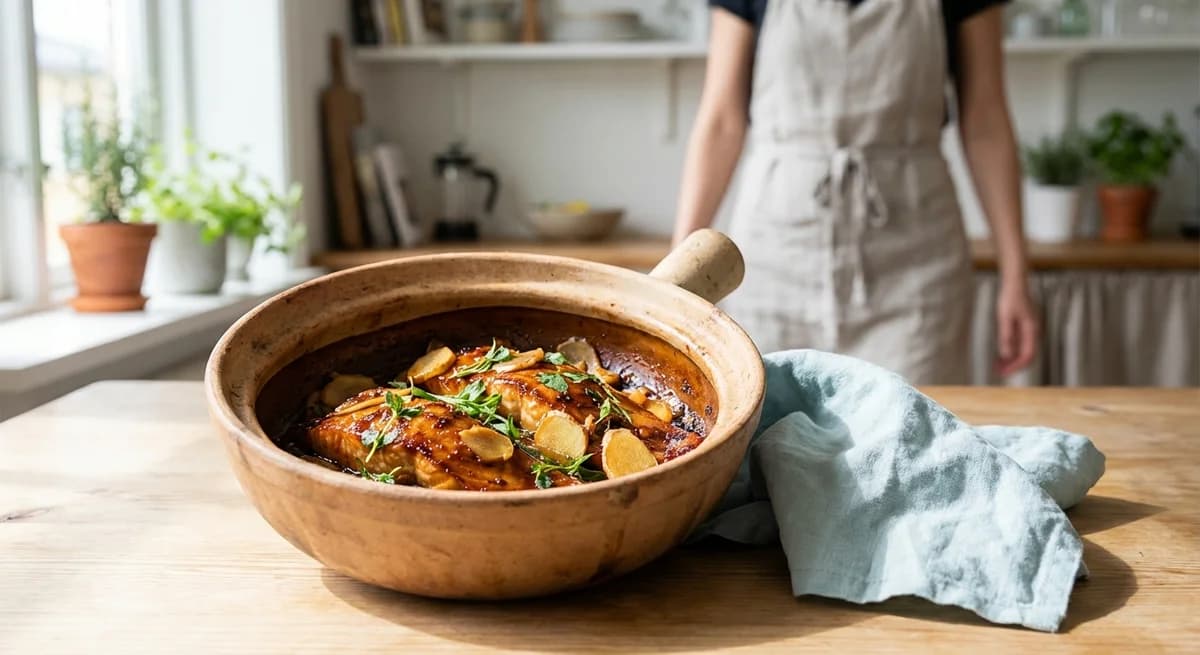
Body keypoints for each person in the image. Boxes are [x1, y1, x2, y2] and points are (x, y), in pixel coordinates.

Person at [671, 0, 1038, 384]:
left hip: (917, 268)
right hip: (773, 261)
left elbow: (986, 122)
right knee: (768, 413)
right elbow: (721, 122)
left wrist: (1015, 277)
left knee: (914, 417)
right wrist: (677, 278)